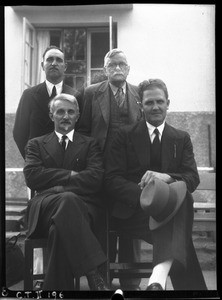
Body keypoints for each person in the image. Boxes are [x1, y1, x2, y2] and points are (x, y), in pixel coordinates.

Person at [104, 79, 207, 290]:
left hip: (168, 211)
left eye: (160, 101)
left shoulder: (181, 138)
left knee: (182, 199)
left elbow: (192, 178)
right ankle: (167, 281)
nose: (155, 107)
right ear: (140, 105)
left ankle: (156, 281)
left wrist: (166, 177)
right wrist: (146, 197)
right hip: (133, 213)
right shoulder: (123, 136)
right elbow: (112, 179)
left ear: (168, 103)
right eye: (149, 102)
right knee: (180, 230)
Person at [23, 93, 109, 291]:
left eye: (71, 112)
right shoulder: (36, 144)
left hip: (82, 208)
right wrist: (70, 174)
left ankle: (54, 291)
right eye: (60, 111)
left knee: (59, 229)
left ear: (77, 116)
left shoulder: (90, 144)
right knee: (68, 199)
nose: (65, 116)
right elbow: (33, 176)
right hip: (44, 207)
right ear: (51, 115)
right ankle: (93, 272)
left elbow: (95, 179)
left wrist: (56, 185)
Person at [78, 48, 143, 290]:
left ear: (128, 68)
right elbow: (83, 131)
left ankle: (131, 282)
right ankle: (103, 280)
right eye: (112, 65)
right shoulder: (91, 93)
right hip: (101, 171)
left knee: (131, 226)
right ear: (104, 69)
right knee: (103, 227)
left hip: (131, 174)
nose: (117, 68)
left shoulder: (139, 93)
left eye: (121, 64)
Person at [13, 45, 83, 159]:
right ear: (42, 66)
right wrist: (31, 158)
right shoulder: (29, 95)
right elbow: (19, 132)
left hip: (66, 164)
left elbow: (80, 132)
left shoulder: (76, 96)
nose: (54, 63)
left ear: (65, 66)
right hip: (37, 163)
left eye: (59, 60)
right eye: (49, 59)